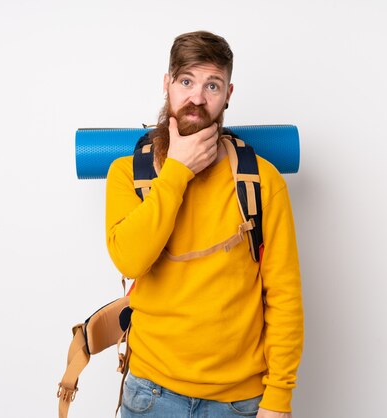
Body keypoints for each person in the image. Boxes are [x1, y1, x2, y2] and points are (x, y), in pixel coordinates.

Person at [105, 31, 304, 418]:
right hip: (149, 393)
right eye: (186, 81)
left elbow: (284, 299)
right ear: (167, 85)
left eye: (211, 85)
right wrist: (178, 170)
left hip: (238, 402)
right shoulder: (127, 174)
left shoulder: (262, 181)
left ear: (228, 93)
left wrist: (279, 398)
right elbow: (129, 261)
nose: (197, 97)